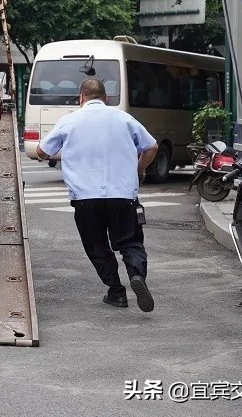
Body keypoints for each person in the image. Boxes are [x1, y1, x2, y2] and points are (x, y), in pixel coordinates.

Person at [36, 78, 159, 312]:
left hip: (85, 197)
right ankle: (137, 275)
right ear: (106, 98)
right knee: (130, 242)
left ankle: (116, 292)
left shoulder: (69, 121)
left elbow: (42, 151)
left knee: (97, 246)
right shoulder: (124, 118)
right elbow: (151, 146)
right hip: (123, 196)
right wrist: (138, 170)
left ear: (80, 98)